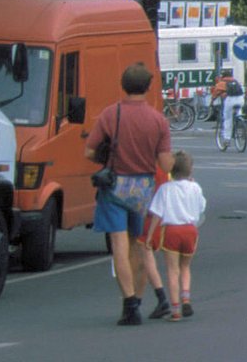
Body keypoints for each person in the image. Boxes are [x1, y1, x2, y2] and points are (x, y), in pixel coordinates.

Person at [85, 62, 175, 326]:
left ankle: (129, 305)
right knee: (139, 244)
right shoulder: (159, 120)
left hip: (115, 185)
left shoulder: (111, 114)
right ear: (148, 87)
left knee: (119, 245)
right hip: (143, 188)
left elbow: (89, 152)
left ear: (123, 86)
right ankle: (138, 297)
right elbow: (166, 164)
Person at [143, 150, 206, 321]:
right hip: (190, 230)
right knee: (185, 267)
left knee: (172, 270)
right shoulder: (195, 187)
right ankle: (186, 297)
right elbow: (201, 208)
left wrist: (149, 236)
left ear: (170, 170)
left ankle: (175, 310)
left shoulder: (165, 189)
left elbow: (156, 213)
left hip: (171, 231)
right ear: (190, 171)